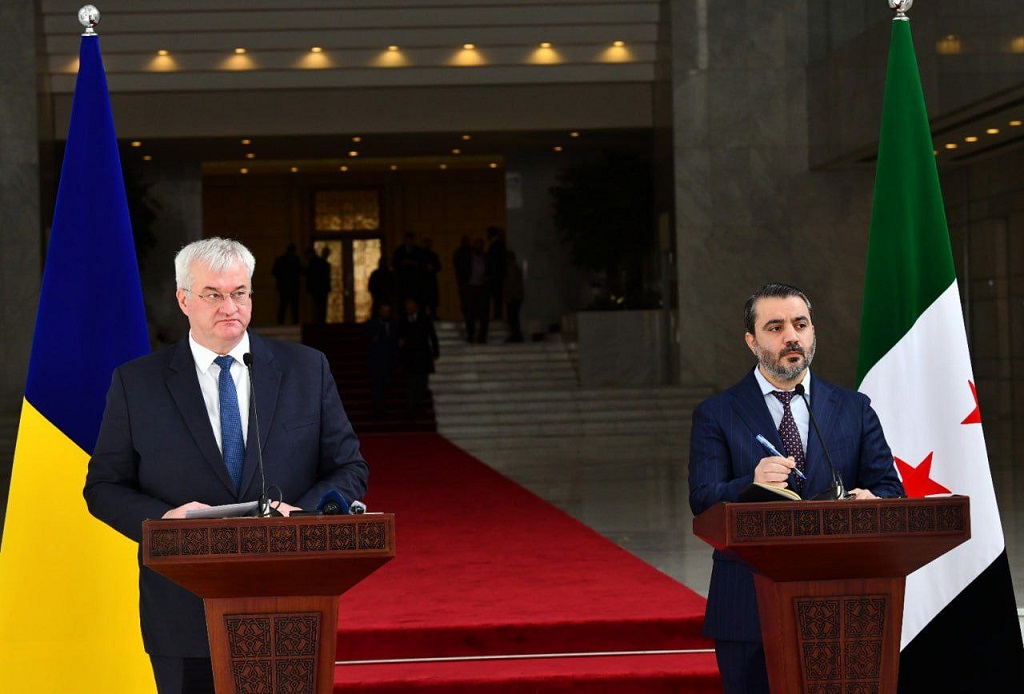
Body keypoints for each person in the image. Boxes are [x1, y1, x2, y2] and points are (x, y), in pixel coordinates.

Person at [83, 237, 369, 694]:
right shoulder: (137, 383)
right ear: (184, 300)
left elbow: (349, 468)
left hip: (288, 604)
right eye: (213, 294)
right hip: (182, 610)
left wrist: (302, 514)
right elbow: (103, 487)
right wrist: (164, 520)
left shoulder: (306, 369)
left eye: (239, 293)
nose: (229, 307)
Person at [687, 282, 904, 694]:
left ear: (812, 332)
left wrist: (873, 501)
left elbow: (890, 489)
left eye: (800, 325)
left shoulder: (853, 408)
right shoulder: (717, 413)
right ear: (751, 341)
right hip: (748, 605)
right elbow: (702, 499)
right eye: (775, 327)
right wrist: (750, 483)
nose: (791, 336)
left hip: (844, 600)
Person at [397, 296, 439, 417]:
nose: (408, 307)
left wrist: (435, 351)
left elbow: (432, 335)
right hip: (409, 357)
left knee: (422, 383)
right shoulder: (402, 320)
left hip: (423, 356)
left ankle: (416, 405)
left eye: (410, 304)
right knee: (411, 383)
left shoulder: (424, 319)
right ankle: (410, 408)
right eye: (407, 305)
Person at [365, 302, 398, 418]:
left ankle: (383, 405)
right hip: (377, 360)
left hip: (390, 359)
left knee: (387, 383)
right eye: (383, 311)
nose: (385, 313)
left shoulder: (394, 324)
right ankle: (378, 408)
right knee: (378, 384)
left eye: (387, 311)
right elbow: (367, 340)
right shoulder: (373, 324)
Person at [270, 242, 302, 325]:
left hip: (284, 287)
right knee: (293, 306)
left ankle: (281, 322)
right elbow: (301, 271)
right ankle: (294, 322)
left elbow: (274, 272)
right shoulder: (295, 260)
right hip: (292, 287)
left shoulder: (281, 260)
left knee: (284, 305)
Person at [465, 237, 489, 343]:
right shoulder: (468, 257)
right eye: (477, 244)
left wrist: (487, 278)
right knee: (470, 313)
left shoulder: (486, 257)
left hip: (483, 288)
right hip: (471, 287)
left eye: (480, 244)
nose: (478, 246)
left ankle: (482, 336)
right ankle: (470, 334)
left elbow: (491, 270)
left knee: (484, 314)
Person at [392, 232, 423, 308]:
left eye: (411, 240)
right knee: (403, 301)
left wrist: (413, 263)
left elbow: (422, 263)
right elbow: (394, 263)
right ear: (405, 240)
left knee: (415, 300)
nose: (409, 242)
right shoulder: (399, 250)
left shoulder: (418, 250)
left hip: (415, 281)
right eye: (408, 240)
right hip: (403, 281)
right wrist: (402, 263)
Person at [485, 225, 507, 320]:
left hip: (496, 275)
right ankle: (497, 314)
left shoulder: (497, 244)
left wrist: (491, 274)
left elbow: (495, 261)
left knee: (497, 295)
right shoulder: (497, 244)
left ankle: (498, 315)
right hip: (496, 275)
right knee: (496, 296)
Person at [306, 245, 332, 323]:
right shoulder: (324, 264)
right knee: (321, 307)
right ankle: (320, 321)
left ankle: (319, 321)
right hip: (321, 289)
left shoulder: (316, 263)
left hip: (318, 289)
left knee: (319, 307)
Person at [503, 250, 524, 342]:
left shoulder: (512, 269)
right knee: (514, 317)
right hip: (516, 296)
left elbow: (511, 284)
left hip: (513, 297)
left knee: (513, 317)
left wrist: (508, 295)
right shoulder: (515, 268)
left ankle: (516, 335)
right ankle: (516, 335)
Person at [419, 237, 442, 319]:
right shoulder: (419, 255)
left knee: (432, 299)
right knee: (423, 299)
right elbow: (417, 267)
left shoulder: (434, 255)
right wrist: (425, 268)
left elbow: (439, 266)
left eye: (429, 243)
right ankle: (422, 315)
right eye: (426, 243)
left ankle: (434, 315)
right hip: (422, 280)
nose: (427, 245)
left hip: (431, 280)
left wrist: (433, 268)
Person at [452, 235, 472, 326]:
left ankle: (469, 316)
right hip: (464, 281)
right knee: (466, 301)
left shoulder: (470, 252)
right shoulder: (459, 252)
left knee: (468, 301)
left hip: (469, 281)